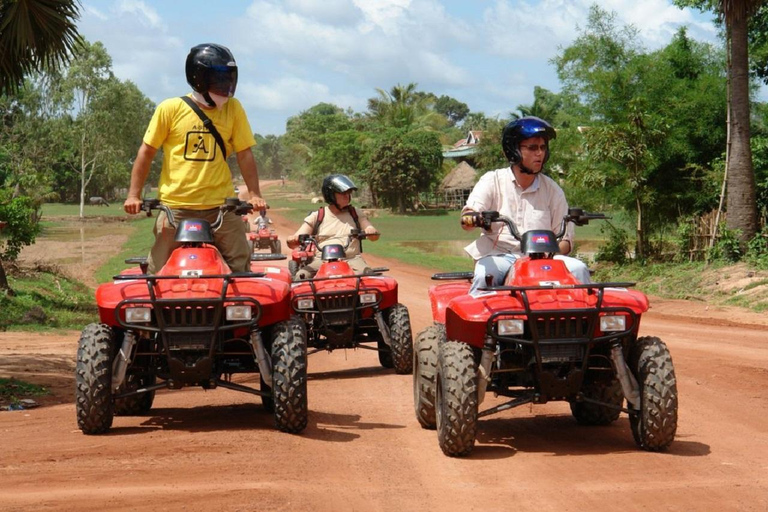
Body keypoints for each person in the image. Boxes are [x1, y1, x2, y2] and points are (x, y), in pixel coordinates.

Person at [123, 43, 266, 274]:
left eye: (228, 77)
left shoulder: (234, 108)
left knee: (241, 265)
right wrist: (133, 195)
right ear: (198, 78)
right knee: (158, 272)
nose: (225, 85)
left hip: (221, 207)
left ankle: (237, 310)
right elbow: (146, 152)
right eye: (218, 78)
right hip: (175, 208)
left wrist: (256, 194)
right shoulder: (170, 109)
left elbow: (244, 153)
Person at [461, 116, 590, 295]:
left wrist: (548, 253)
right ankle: (478, 322)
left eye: (543, 147)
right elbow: (468, 216)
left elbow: (566, 242)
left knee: (579, 269)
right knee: (484, 274)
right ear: (513, 150)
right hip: (499, 256)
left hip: (544, 260)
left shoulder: (553, 190)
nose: (539, 153)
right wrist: (473, 218)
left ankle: (581, 321)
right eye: (532, 147)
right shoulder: (493, 180)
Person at [286, 174, 379, 279]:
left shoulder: (356, 214)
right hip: (321, 261)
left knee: (369, 277)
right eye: (342, 193)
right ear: (330, 195)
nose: (347, 196)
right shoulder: (317, 216)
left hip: (352, 259)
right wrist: (293, 239)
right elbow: (296, 238)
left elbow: (372, 233)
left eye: (348, 193)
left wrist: (370, 230)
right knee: (300, 276)